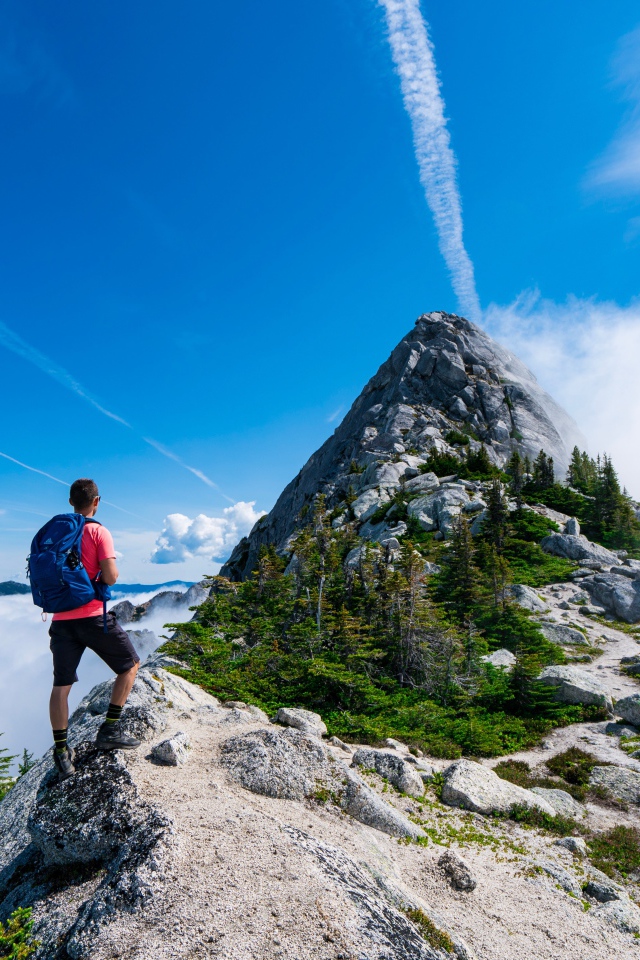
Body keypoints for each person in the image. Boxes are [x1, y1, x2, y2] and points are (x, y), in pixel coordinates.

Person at [48, 478, 141, 779]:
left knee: (61, 688)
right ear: (97, 501)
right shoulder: (99, 531)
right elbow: (111, 577)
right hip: (92, 617)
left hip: (61, 621)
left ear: (71, 502)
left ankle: (62, 752)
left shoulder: (56, 534)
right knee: (130, 665)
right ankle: (109, 730)